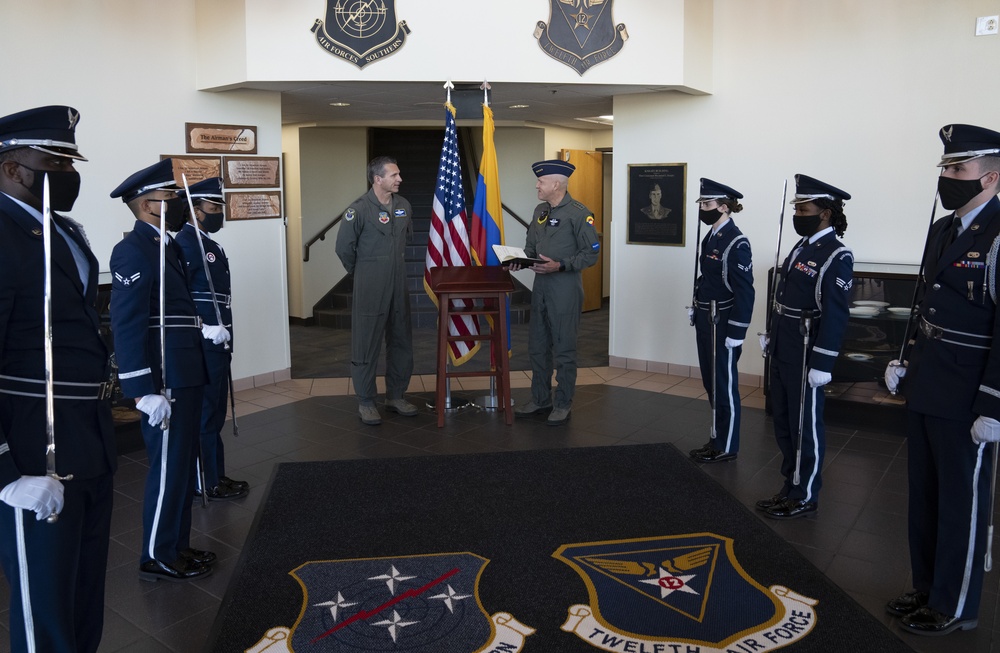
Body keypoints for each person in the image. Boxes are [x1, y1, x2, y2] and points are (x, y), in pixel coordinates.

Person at [0, 106, 117, 652]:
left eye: (70, 160)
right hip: (30, 445)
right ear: (10, 167)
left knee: (83, 589)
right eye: (53, 160)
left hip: (85, 433)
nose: (67, 173)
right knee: (45, 604)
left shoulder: (59, 228)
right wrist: (6, 469)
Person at [883, 124, 1000, 636]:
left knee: (961, 501)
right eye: (946, 169)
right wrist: (904, 357)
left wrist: (994, 405)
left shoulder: (996, 234)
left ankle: (955, 602)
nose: (948, 177)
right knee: (924, 494)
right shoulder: (945, 229)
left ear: (991, 176)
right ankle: (926, 586)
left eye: (959, 169)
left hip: (969, 393)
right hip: (930, 379)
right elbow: (925, 302)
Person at [109, 158, 215, 582]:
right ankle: (156, 553)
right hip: (164, 379)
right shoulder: (132, 250)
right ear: (149, 205)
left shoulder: (164, 246)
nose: (178, 204)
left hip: (185, 371)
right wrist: (141, 389)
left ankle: (176, 544)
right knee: (168, 468)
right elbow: (127, 322)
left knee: (183, 465)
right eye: (171, 197)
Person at [756, 174, 853, 519]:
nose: (798, 213)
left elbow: (836, 315)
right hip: (785, 343)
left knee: (804, 425)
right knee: (783, 420)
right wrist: (771, 333)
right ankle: (790, 485)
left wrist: (823, 363)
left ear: (825, 212)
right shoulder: (802, 246)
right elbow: (783, 297)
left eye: (803, 207)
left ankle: (805, 493)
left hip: (807, 349)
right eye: (796, 207)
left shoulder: (836, 254)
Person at [512, 159, 601, 426]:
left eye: (540, 181)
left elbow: (591, 254)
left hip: (564, 289)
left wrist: (560, 265)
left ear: (556, 184)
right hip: (540, 289)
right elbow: (531, 248)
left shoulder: (579, 213)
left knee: (564, 349)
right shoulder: (540, 210)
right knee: (538, 347)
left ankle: (562, 403)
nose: (537, 185)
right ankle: (540, 399)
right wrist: (519, 260)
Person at [175, 177, 248, 501]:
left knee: (215, 412)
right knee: (205, 414)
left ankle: (214, 473)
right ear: (195, 210)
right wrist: (202, 327)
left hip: (219, 341)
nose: (219, 213)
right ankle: (204, 480)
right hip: (204, 341)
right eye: (213, 207)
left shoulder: (206, 242)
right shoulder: (186, 244)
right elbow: (181, 295)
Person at [335, 156, 418, 426]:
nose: (399, 179)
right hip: (370, 285)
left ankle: (396, 395)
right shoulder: (358, 210)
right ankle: (367, 401)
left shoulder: (403, 205)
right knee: (366, 344)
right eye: (393, 175)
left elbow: (406, 238)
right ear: (377, 179)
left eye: (399, 174)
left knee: (401, 341)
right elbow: (344, 248)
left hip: (398, 283)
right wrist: (363, 274)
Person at [688, 178, 754, 463]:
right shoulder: (712, 236)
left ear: (724, 207)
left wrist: (737, 330)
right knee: (711, 381)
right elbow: (709, 276)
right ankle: (716, 436)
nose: (703, 208)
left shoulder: (736, 241)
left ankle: (727, 444)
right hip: (706, 314)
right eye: (701, 203)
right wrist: (696, 302)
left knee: (724, 384)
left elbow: (745, 290)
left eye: (707, 204)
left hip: (723, 319)